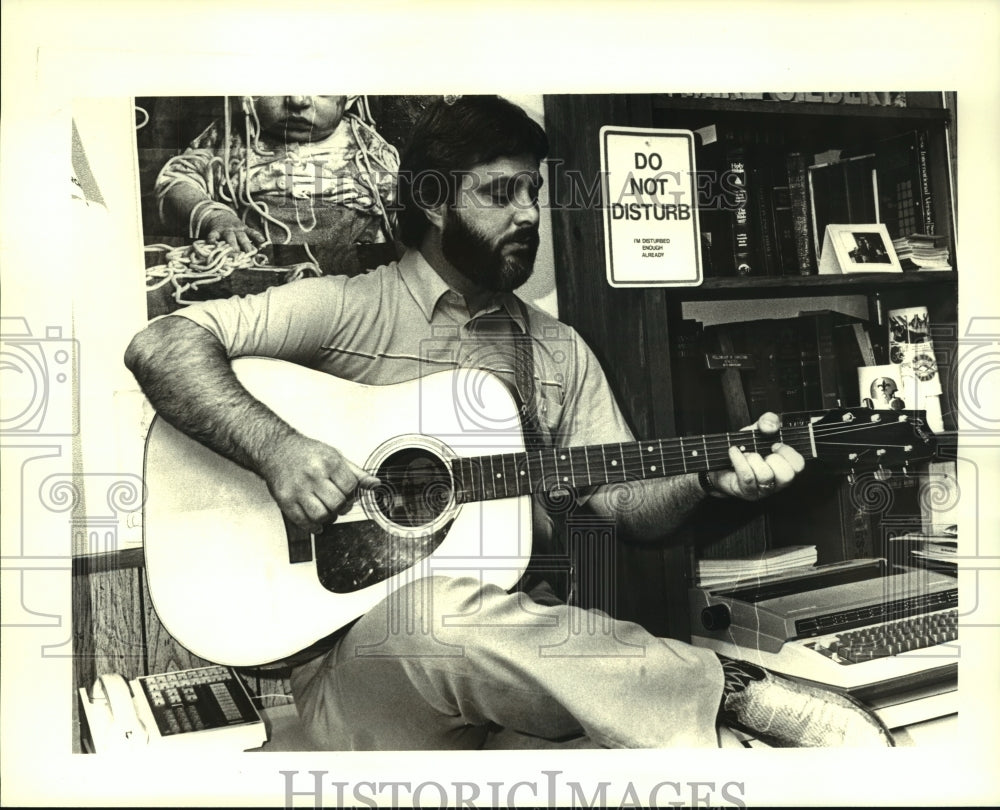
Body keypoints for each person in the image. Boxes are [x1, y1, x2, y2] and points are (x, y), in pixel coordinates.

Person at [125, 95, 894, 750]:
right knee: (428, 614)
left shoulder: (556, 349)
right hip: (362, 678)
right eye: (501, 193)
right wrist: (278, 449)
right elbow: (163, 345)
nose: (529, 213)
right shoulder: (347, 309)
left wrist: (706, 478)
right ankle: (729, 689)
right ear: (432, 200)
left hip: (541, 670)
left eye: (534, 191)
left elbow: (626, 507)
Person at [153, 95, 398, 277]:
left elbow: (400, 211)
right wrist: (214, 217)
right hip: (252, 265)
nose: (298, 100)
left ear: (350, 96)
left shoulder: (367, 147)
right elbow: (176, 180)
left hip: (350, 273)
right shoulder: (230, 137)